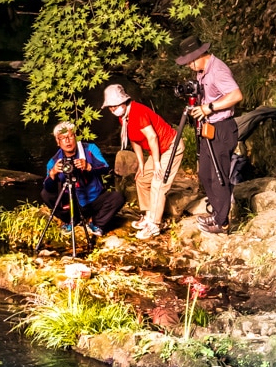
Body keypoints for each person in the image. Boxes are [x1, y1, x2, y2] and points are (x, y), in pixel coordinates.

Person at [175, 34, 243, 234]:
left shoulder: (218, 70)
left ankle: (222, 223)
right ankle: (217, 213)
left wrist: (209, 108)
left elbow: (236, 95)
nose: (188, 66)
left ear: (198, 56)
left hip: (222, 128)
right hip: (208, 129)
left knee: (218, 176)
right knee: (205, 174)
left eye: (189, 62)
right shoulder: (202, 72)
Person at [101, 84, 184, 241]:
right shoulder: (124, 118)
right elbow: (135, 140)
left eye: (115, 106)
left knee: (158, 183)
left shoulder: (138, 112)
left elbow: (152, 137)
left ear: (124, 102)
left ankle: (154, 224)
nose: (113, 109)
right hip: (157, 151)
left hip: (170, 147)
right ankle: (148, 214)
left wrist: (157, 163)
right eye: (110, 107)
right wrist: (141, 164)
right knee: (142, 178)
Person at [41, 121, 125, 236]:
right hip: (71, 203)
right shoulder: (54, 161)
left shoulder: (90, 149)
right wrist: (53, 173)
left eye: (70, 136)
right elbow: (48, 187)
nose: (67, 140)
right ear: (58, 141)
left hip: (93, 199)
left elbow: (106, 168)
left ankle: (96, 223)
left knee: (117, 197)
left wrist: (89, 166)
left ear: (75, 136)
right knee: (46, 194)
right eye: (63, 138)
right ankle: (71, 221)